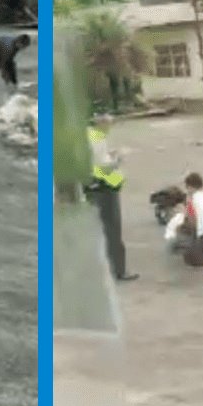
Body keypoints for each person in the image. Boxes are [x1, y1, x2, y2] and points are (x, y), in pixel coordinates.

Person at [86, 117, 138, 282]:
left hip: (91, 187)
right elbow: (101, 167)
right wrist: (117, 161)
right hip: (105, 186)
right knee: (113, 229)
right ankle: (119, 270)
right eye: (108, 123)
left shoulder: (87, 136)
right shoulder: (97, 138)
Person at [0, 33, 32, 112]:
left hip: (2, 52)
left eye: (25, 47)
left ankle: (15, 92)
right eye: (23, 46)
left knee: (12, 72)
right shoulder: (9, 48)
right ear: (19, 43)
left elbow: (9, 63)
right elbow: (3, 67)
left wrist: (13, 80)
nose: (23, 49)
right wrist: (7, 81)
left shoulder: (15, 44)